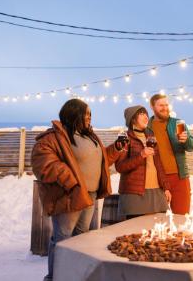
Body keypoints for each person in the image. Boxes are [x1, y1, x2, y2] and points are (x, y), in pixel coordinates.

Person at [31, 99, 124, 281]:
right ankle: (56, 276)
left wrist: (116, 149)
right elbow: (42, 161)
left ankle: (75, 275)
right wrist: (69, 180)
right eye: (86, 114)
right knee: (63, 239)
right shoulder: (56, 136)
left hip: (90, 194)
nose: (89, 117)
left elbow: (100, 159)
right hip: (70, 194)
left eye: (90, 114)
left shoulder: (89, 135)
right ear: (73, 113)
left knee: (81, 238)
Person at [115, 105, 171, 219]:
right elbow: (120, 167)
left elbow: (159, 165)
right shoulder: (124, 138)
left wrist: (166, 187)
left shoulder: (150, 137)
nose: (146, 117)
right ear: (132, 119)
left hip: (157, 191)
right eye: (141, 114)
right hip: (135, 194)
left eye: (146, 114)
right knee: (135, 232)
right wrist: (141, 155)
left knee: (157, 231)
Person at [148, 94, 193, 215]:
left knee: (182, 217)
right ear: (152, 107)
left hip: (180, 177)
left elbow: (191, 147)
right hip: (157, 179)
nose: (165, 108)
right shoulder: (147, 128)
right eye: (161, 105)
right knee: (159, 219)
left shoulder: (178, 123)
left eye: (166, 105)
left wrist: (186, 140)